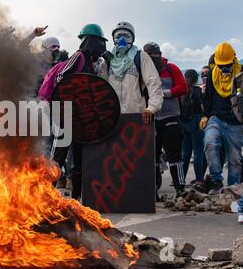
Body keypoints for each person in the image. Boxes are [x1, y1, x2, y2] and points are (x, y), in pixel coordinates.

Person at [38, 24, 109, 200]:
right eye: (99, 41)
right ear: (90, 41)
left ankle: (76, 200)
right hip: (66, 116)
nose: (102, 46)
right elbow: (62, 78)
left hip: (80, 119)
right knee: (58, 157)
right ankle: (45, 197)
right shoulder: (79, 57)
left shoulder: (92, 64)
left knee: (79, 161)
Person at [196, 42, 243, 195]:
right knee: (209, 143)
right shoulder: (212, 73)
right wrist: (205, 115)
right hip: (216, 118)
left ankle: (233, 189)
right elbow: (208, 97)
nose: (224, 69)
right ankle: (216, 180)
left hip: (235, 123)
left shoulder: (241, 74)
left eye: (227, 65)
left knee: (234, 159)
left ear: (233, 60)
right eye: (221, 66)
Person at [144, 42, 188, 197]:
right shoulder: (142, 70)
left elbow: (183, 87)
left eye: (156, 55)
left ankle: (180, 188)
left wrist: (164, 93)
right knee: (152, 156)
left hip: (170, 117)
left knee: (174, 155)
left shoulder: (171, 68)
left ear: (160, 55)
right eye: (150, 57)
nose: (153, 59)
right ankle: (153, 191)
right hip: (151, 119)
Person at [104, 22, 163, 124]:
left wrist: (151, 108)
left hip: (136, 116)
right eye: (118, 36)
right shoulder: (108, 60)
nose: (122, 40)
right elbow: (101, 87)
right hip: (112, 118)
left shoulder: (140, 57)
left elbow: (153, 83)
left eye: (126, 36)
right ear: (113, 39)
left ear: (132, 39)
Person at [179, 69, 207, 187]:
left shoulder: (182, 91)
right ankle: (199, 179)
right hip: (197, 124)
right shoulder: (197, 91)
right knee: (198, 153)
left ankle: (181, 179)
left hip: (184, 125)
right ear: (196, 79)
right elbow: (202, 107)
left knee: (185, 154)